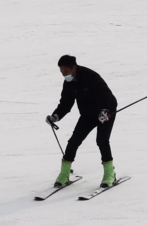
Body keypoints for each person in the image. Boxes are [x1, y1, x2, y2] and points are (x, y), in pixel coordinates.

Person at [45, 54, 118, 190]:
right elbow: (66, 103)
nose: (64, 75)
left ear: (74, 68)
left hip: (106, 112)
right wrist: (56, 116)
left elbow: (106, 95)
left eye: (66, 71)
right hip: (88, 114)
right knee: (74, 141)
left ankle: (110, 174)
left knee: (102, 141)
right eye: (61, 72)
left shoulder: (91, 77)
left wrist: (105, 111)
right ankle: (64, 174)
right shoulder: (68, 83)